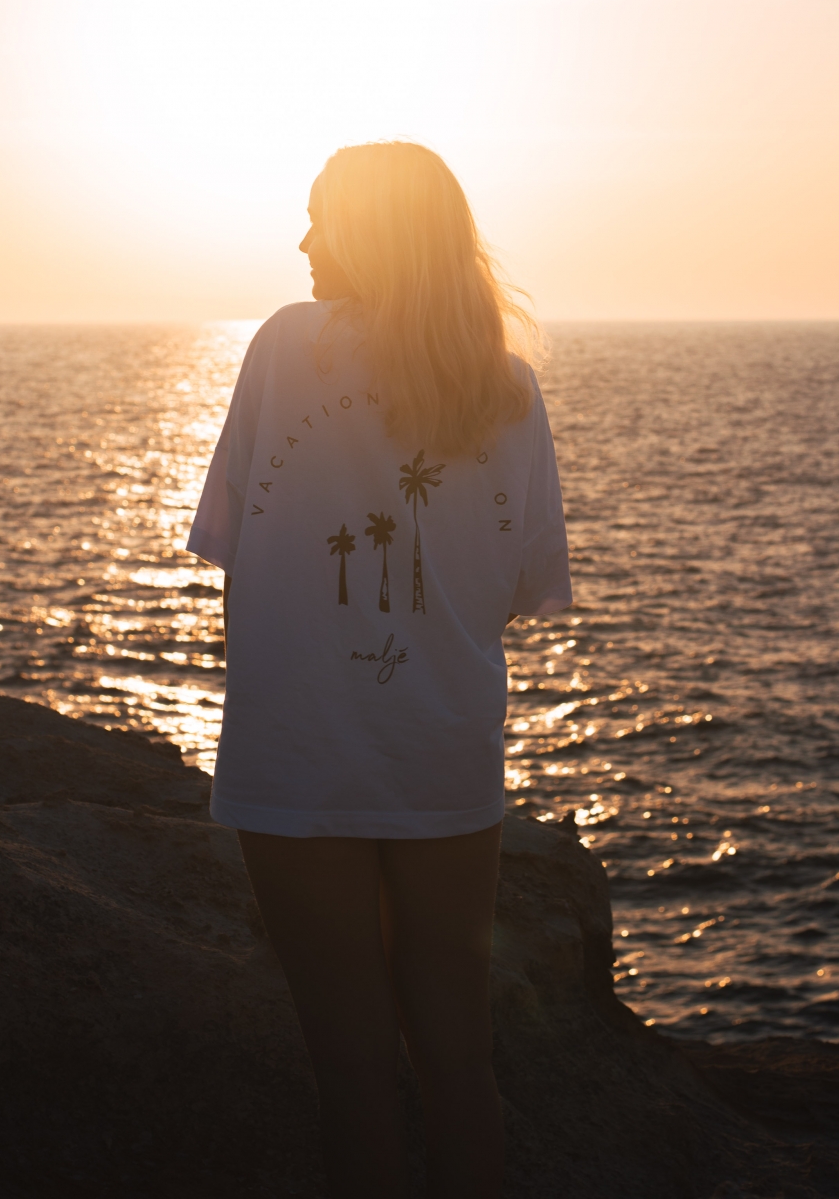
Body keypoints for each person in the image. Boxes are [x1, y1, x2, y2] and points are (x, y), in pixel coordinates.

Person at [187, 141, 571, 1198]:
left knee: (352, 1071)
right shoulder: (508, 386)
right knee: (460, 1063)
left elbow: (230, 546)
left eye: (321, 216)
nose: (303, 240)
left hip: (298, 754)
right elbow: (520, 584)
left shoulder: (287, 347)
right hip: (443, 754)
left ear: (373, 231)